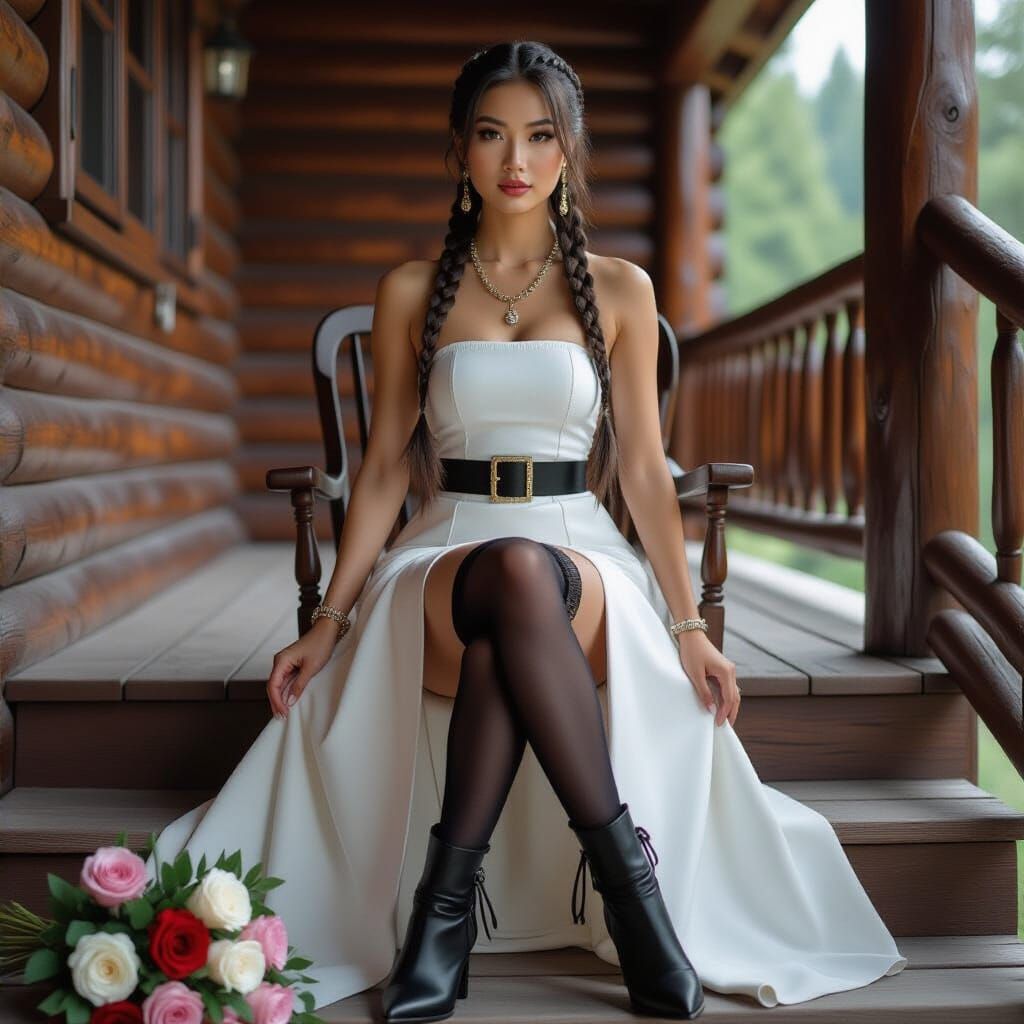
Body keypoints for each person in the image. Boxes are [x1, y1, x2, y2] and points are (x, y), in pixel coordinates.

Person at [146, 40, 907, 1023]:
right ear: (458, 148)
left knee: (522, 585)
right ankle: (632, 896)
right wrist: (330, 618)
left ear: (569, 147)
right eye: (493, 134)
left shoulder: (620, 289)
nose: (517, 157)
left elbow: (640, 468)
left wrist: (687, 625)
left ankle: (441, 916)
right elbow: (383, 466)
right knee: (506, 575)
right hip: (441, 554)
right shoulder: (410, 290)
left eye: (541, 136)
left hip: (581, 552)